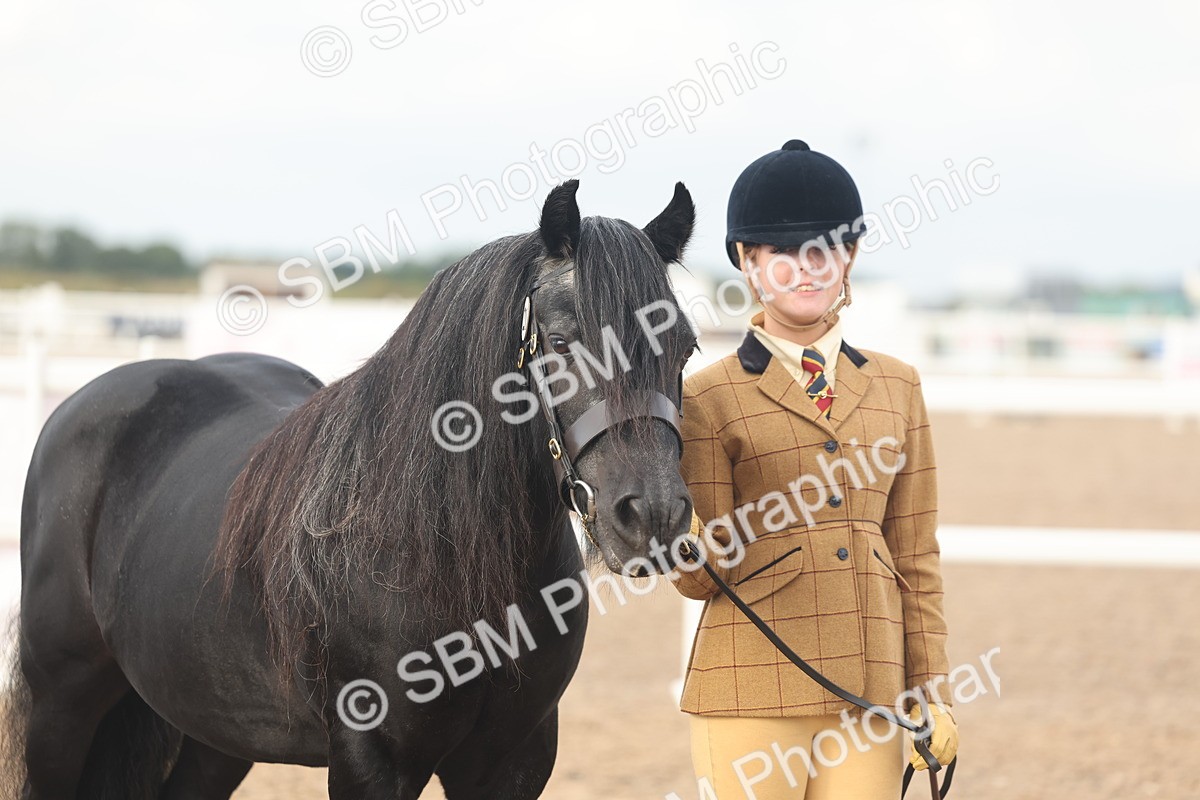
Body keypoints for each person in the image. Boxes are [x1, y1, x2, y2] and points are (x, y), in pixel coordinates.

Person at [669, 139, 959, 798]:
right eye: (783, 252)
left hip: (873, 690)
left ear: (849, 257)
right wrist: (676, 526)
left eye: (824, 251)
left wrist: (932, 690)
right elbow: (698, 579)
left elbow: (915, 556)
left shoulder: (899, 387)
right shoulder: (706, 397)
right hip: (751, 684)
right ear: (748, 261)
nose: (806, 269)